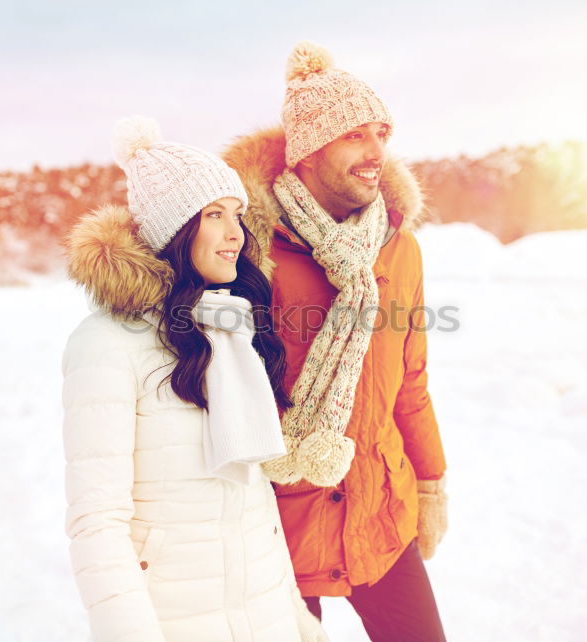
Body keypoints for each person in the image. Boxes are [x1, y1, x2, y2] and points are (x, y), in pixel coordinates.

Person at [61, 116, 327, 642]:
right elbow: (98, 525)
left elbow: (256, 504)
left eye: (238, 215)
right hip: (178, 622)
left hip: (266, 619)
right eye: (214, 215)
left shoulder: (235, 327)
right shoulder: (108, 344)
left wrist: (299, 622)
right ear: (175, 229)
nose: (236, 234)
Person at [221, 41, 449, 641]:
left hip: (381, 513)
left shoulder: (398, 248)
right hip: (278, 528)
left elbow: (411, 380)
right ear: (308, 151)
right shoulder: (248, 252)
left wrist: (430, 483)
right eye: (355, 136)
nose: (377, 153)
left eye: (382, 132)